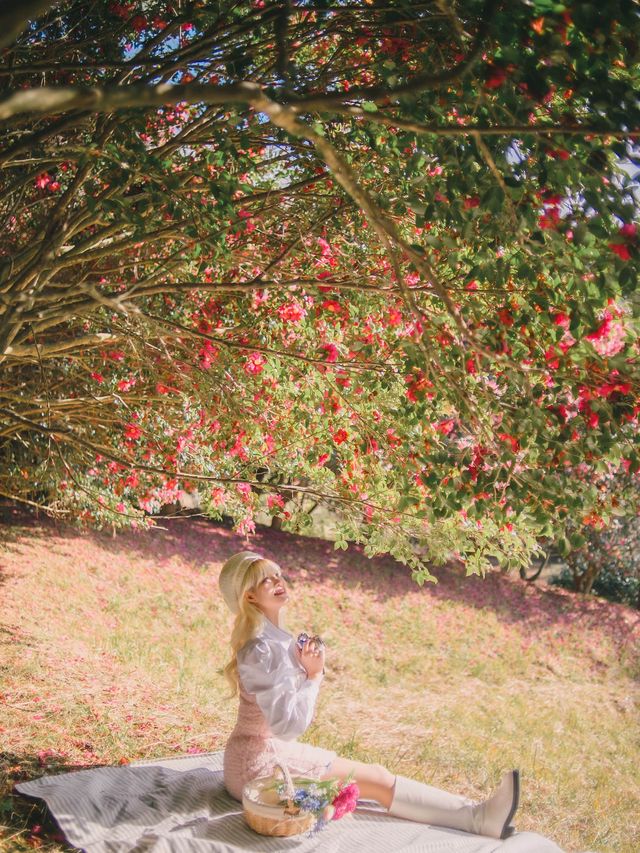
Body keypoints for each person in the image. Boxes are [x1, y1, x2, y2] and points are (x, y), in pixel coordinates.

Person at [219, 550, 520, 840]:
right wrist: (313, 676)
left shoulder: (274, 641)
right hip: (257, 766)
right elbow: (288, 728)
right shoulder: (261, 650)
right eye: (266, 580)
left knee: (372, 780)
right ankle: (479, 818)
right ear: (249, 596)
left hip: (264, 752)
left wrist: (306, 670)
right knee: (375, 779)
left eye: (277, 574)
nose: (278, 581)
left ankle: (477, 813)